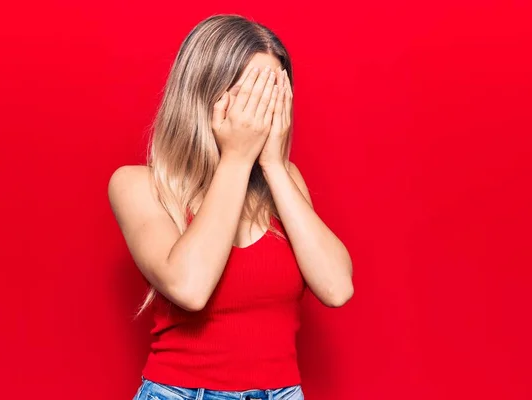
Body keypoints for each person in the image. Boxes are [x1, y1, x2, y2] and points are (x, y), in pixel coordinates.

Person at [108, 14, 354, 400]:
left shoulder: (284, 180)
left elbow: (337, 288)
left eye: (272, 93)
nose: (260, 110)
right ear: (204, 92)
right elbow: (190, 288)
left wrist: (273, 164)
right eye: (249, 92)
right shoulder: (138, 185)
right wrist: (237, 159)